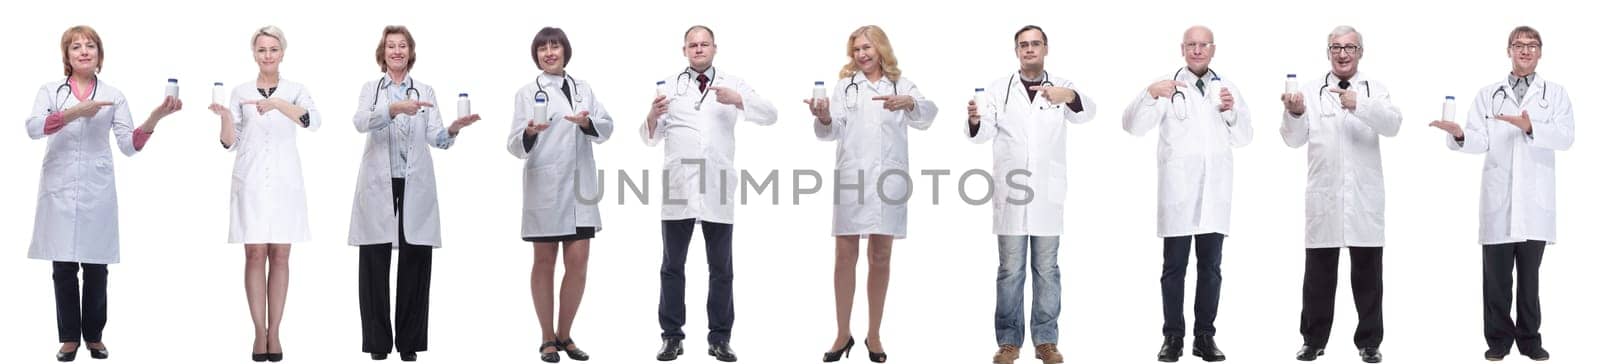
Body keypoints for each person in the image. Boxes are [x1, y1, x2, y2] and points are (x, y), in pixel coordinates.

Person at [25, 24, 182, 362]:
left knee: (96, 268)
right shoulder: (51, 91)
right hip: (60, 189)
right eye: (76, 47)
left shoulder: (114, 95)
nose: (84, 51)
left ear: (99, 54)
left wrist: (157, 116)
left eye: (91, 46)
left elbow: (130, 145)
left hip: (97, 192)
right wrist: (74, 113)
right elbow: (33, 128)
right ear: (66, 56)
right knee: (63, 267)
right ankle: (69, 339)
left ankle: (94, 337)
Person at [1425, 26, 1570, 362]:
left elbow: (1566, 137)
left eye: (1532, 45)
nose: (1525, 51)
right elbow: (1479, 140)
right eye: (1519, 45)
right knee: (1496, 280)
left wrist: (1531, 127)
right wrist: (1460, 134)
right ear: (1508, 50)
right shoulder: (1489, 94)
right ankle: (1499, 340)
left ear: (1540, 52)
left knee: (1530, 280)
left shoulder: (1556, 94)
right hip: (1498, 202)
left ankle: (1530, 340)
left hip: (1535, 204)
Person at [640, 25, 778, 363]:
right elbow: (648, 138)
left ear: (715, 48)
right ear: (684, 50)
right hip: (678, 189)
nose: (698, 49)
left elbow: (771, 114)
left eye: (704, 44)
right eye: (692, 45)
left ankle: (720, 338)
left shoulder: (733, 83)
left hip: (717, 187)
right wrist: (652, 116)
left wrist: (739, 100)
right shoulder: (668, 86)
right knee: (672, 266)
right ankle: (671, 337)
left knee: (721, 268)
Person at [805, 25, 937, 364]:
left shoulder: (901, 84)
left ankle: (874, 334)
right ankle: (842, 332)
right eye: (856, 50)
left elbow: (927, 114)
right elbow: (830, 131)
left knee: (881, 257)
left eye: (867, 48)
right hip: (852, 179)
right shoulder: (845, 87)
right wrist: (822, 116)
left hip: (889, 181)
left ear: (881, 49)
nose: (862, 55)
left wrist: (909, 103)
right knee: (844, 257)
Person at [1119, 25, 1252, 363]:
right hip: (1177, 193)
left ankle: (1204, 337)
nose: (1197, 50)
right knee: (1173, 268)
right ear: (1182, 49)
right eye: (1191, 45)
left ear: (1212, 49)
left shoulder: (1227, 87)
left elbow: (1245, 137)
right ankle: (1173, 338)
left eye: (1202, 45)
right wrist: (1149, 93)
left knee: (1211, 269)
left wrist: (1231, 112)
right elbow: (1132, 126)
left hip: (1214, 194)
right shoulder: (1167, 86)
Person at [349, 25, 481, 362]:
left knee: (415, 262)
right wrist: (393, 110)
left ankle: (409, 343)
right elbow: (360, 122)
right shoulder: (371, 89)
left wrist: (453, 129)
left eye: (402, 46)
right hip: (379, 182)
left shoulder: (425, 91)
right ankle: (378, 343)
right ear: (383, 52)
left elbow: (437, 137)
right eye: (391, 46)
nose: (396, 51)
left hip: (414, 182)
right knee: (374, 264)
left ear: (410, 52)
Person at [967, 25, 1096, 364]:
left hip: (1047, 195)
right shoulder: (999, 89)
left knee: (1047, 268)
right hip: (1011, 192)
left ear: (1046, 48)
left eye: (1034, 44)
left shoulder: (1062, 87)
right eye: (1023, 45)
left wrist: (1067, 96)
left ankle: (1046, 342)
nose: (1029, 49)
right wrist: (976, 119)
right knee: (1010, 269)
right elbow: (982, 135)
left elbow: (1088, 112)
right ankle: (1009, 342)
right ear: (1016, 51)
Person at [1279, 25, 1401, 364]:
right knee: (1318, 277)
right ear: (1328, 52)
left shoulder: (1374, 89)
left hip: (1364, 200)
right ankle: (1313, 340)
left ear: (1361, 52)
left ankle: (1369, 342)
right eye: (1336, 47)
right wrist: (1295, 113)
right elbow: (1292, 139)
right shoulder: (1307, 90)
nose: (1343, 53)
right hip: (1325, 198)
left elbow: (1392, 126)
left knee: (1368, 277)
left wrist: (1358, 104)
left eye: (1349, 47)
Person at [208, 25, 321, 363]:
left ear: (282, 52)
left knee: (282, 256)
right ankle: (260, 331)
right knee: (255, 255)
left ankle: (276, 332)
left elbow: (312, 121)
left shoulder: (296, 90)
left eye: (273, 49)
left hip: (286, 183)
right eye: (261, 50)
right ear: (254, 54)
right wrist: (227, 118)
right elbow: (230, 142)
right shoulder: (241, 91)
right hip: (251, 182)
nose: (267, 55)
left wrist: (276, 104)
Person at [506, 26, 613, 363]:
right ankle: (546, 338)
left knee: (578, 263)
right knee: (544, 262)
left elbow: (606, 126)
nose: (549, 53)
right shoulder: (527, 93)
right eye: (542, 48)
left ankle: (566, 334)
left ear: (566, 51)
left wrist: (587, 123)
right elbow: (513, 145)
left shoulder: (584, 88)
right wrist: (529, 131)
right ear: (536, 55)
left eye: (555, 47)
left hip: (580, 189)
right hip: (546, 188)